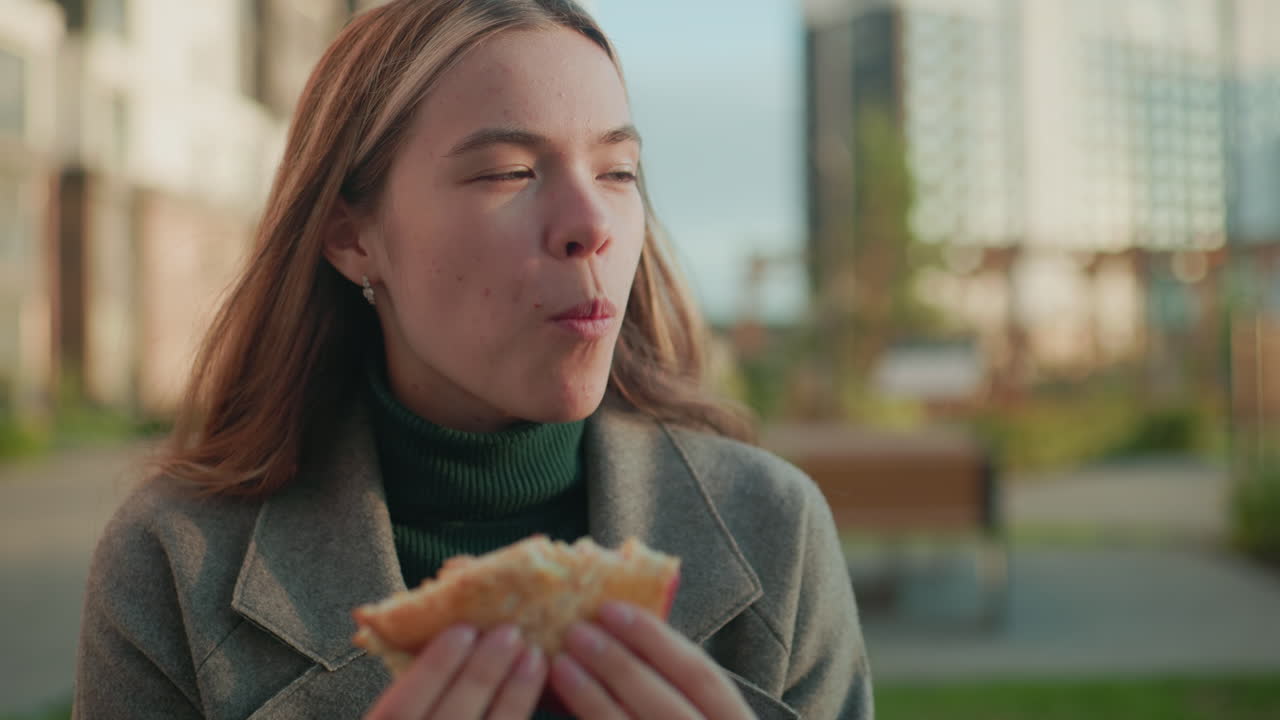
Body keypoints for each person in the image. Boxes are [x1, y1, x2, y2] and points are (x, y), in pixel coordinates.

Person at [72, 1, 874, 718]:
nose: (590, 222)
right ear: (352, 237)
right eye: (509, 172)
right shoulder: (170, 564)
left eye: (618, 172)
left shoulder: (776, 528)